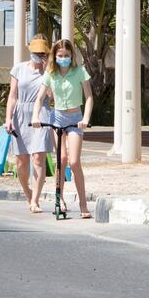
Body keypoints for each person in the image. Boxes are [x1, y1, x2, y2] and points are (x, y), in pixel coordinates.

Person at [31, 39, 94, 219]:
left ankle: (83, 204)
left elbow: (89, 97)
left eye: (66, 55)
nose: (63, 58)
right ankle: (60, 200)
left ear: (71, 56)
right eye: (60, 55)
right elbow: (39, 98)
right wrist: (36, 116)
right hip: (57, 117)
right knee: (61, 160)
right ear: (55, 56)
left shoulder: (79, 71)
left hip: (75, 118)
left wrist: (85, 118)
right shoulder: (51, 74)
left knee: (74, 161)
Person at [4, 34, 52, 213]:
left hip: (41, 114)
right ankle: (27, 193)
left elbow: (51, 96)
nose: (39, 55)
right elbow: (12, 96)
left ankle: (35, 200)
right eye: (36, 52)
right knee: (21, 162)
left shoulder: (49, 72)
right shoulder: (18, 69)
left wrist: (48, 72)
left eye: (42, 53)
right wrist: (8, 118)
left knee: (39, 158)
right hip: (21, 115)